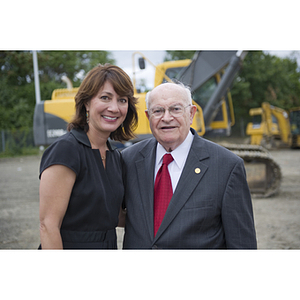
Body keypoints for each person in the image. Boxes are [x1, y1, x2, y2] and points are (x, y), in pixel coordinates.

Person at [121, 81, 257, 249]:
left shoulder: (226, 166)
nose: (166, 117)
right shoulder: (128, 160)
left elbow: (242, 243)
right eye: (158, 111)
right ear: (149, 117)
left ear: (192, 114)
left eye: (175, 109)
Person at [39, 64, 138, 249]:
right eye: (105, 98)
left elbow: (114, 216)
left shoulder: (115, 156)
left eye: (122, 100)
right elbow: (48, 226)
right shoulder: (66, 150)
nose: (114, 108)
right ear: (86, 103)